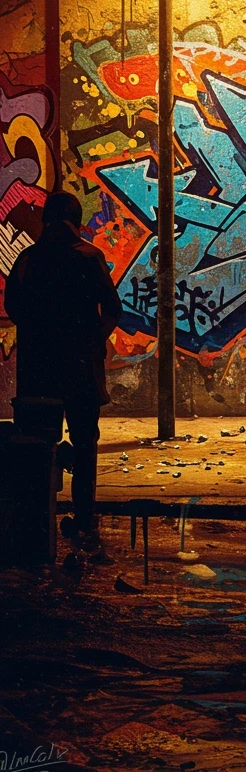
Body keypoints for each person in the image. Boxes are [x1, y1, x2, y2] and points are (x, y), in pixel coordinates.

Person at [5, 191, 122, 547]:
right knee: (85, 443)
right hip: (81, 369)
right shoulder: (89, 257)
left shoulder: (28, 259)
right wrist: (93, 340)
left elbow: (13, 307)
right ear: (77, 220)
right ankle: (84, 519)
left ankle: (38, 519)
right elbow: (112, 309)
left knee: (39, 445)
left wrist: (38, 334)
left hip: (39, 370)